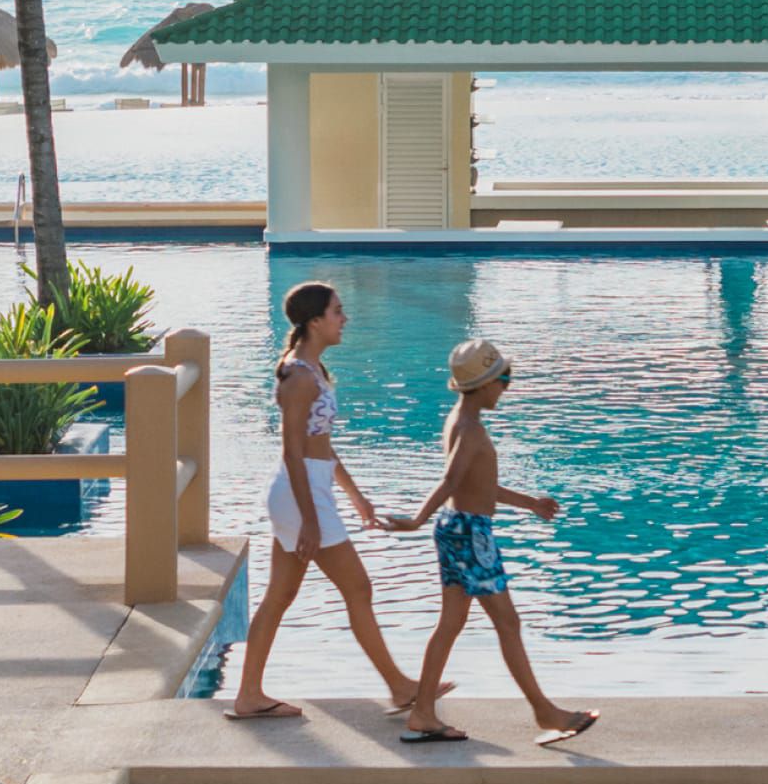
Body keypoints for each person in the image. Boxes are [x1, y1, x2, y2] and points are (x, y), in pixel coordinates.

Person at [228, 281, 446, 720]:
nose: (344, 319)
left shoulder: (314, 372)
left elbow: (320, 444)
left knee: (280, 594)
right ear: (314, 321)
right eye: (337, 312)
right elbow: (292, 450)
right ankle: (400, 686)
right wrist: (311, 519)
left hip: (310, 488)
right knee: (357, 587)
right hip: (299, 494)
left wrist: (356, 496)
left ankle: (249, 694)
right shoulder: (297, 377)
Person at [379, 338, 599, 747]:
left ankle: (424, 712)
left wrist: (529, 503)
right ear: (482, 385)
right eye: (504, 379)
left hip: (456, 527)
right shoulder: (470, 429)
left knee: (452, 623)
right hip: (470, 533)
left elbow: (477, 484)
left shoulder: (458, 420)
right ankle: (544, 712)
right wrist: (414, 520)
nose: (507, 387)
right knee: (507, 623)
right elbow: (449, 480)